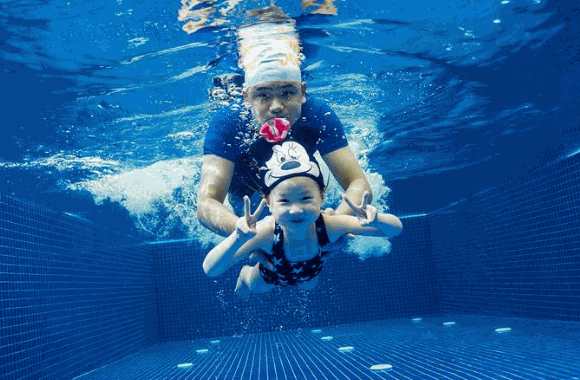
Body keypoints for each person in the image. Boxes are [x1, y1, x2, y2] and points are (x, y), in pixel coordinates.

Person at [197, 20, 373, 244]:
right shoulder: (227, 123)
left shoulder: (316, 113)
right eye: (263, 95)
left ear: (302, 92)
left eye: (288, 93)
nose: (276, 106)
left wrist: (328, 227)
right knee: (249, 221)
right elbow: (207, 202)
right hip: (245, 178)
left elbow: (358, 182)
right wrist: (243, 231)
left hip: (295, 176)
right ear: (246, 97)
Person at [202, 142, 402, 297]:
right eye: (284, 201)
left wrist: (377, 221)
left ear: (321, 197)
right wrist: (237, 237)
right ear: (269, 203)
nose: (296, 210)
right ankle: (245, 275)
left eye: (306, 199)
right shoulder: (265, 232)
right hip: (271, 272)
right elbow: (210, 269)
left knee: (308, 286)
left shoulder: (330, 224)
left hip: (310, 272)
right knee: (257, 287)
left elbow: (395, 229)